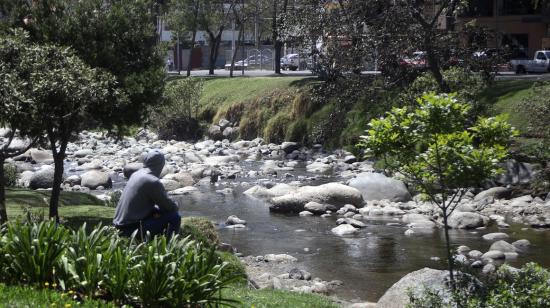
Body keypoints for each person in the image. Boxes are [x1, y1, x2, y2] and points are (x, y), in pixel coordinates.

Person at [113, 150, 181, 238]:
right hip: (129, 229)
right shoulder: (152, 181)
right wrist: (176, 205)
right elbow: (169, 207)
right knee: (174, 217)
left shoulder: (136, 174)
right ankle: (169, 246)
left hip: (117, 225)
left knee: (156, 210)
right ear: (161, 165)